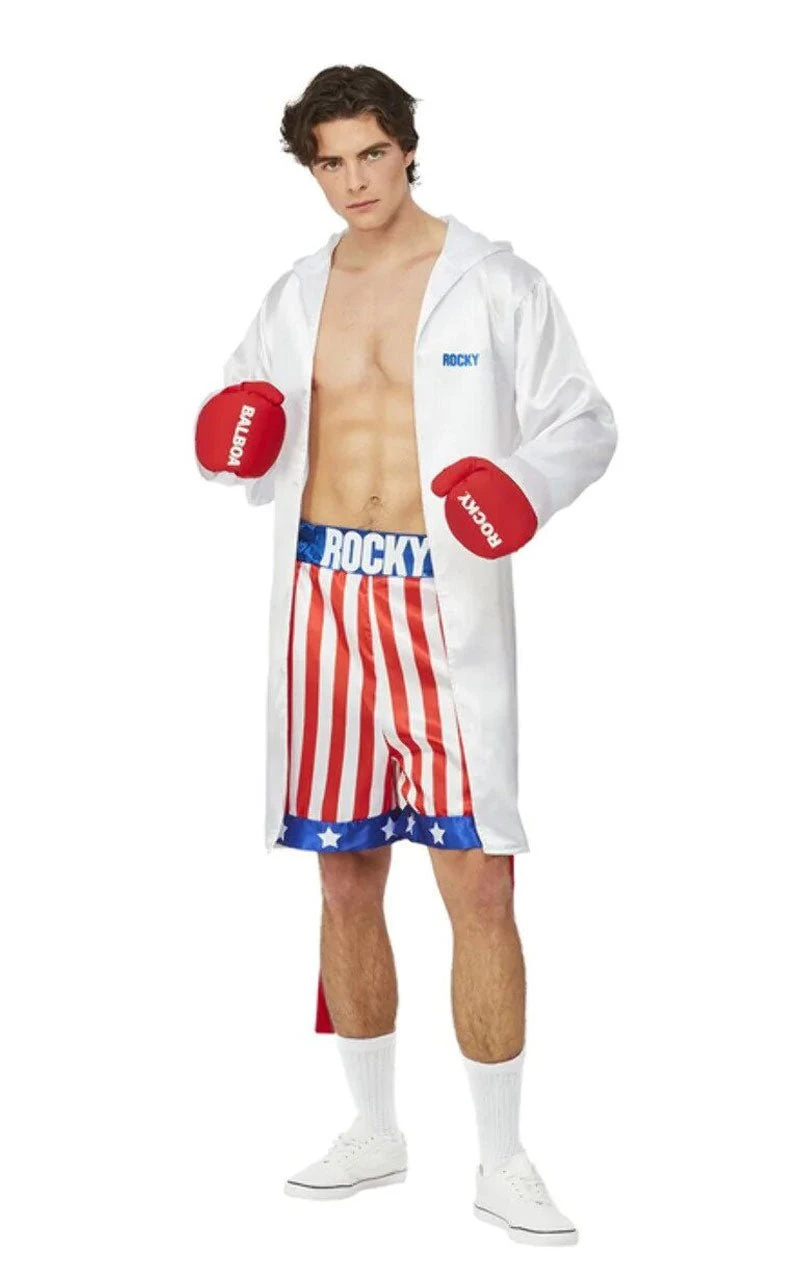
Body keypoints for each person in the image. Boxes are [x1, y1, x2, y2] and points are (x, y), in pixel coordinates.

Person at [195, 63, 616, 1246]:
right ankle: (373, 1129)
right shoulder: (296, 291)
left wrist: (522, 485)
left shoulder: (493, 281)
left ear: (408, 146)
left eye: (369, 153)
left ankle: (502, 1157)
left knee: (477, 876)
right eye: (329, 162)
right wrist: (234, 443)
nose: (353, 181)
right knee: (342, 872)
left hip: (436, 606)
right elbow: (242, 421)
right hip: (323, 598)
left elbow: (582, 419)